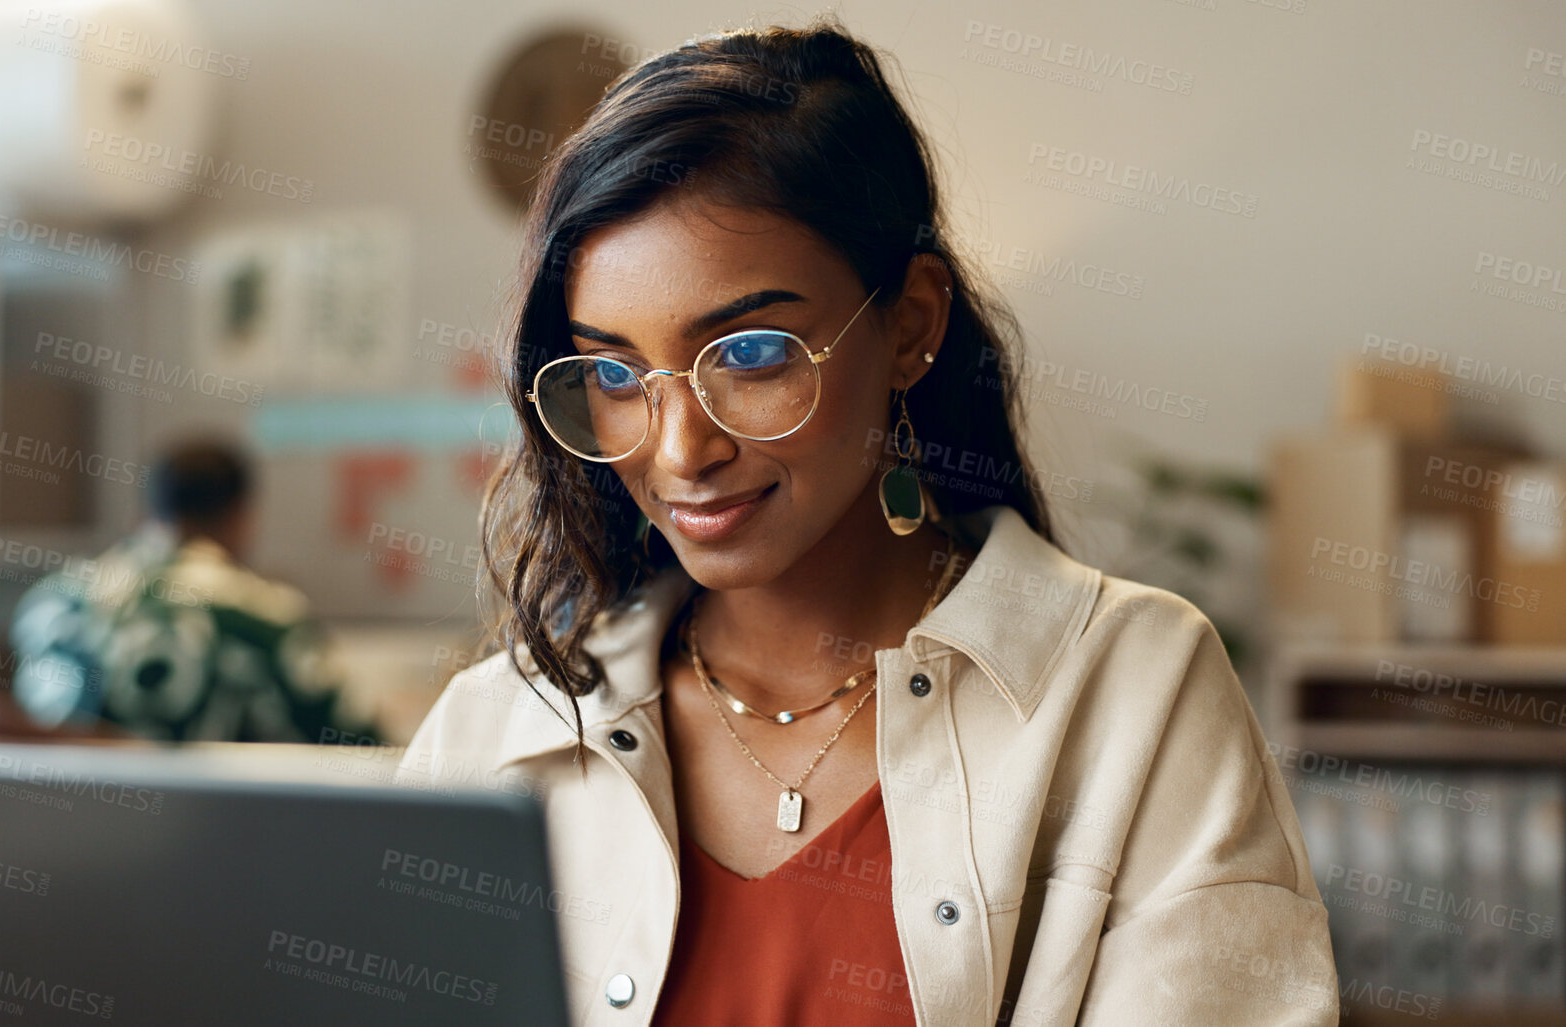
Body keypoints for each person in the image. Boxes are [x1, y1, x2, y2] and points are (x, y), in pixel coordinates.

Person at [397, 18, 1336, 1026]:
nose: (678, 453)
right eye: (616, 376)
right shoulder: (499, 730)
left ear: (912, 327)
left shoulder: (1133, 692)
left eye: (751, 355)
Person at [8, 438, 368, 744]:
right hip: (222, 823)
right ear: (242, 516)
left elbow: (36, 731)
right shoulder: (269, 615)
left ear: (150, 511)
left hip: (69, 819)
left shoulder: (55, 603)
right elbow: (358, 742)